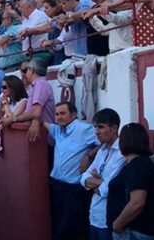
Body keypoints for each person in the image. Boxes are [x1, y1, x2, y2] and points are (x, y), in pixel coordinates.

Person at [45, 102, 100, 240]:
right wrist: (36, 122)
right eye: (56, 114)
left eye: (63, 113)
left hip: (74, 189)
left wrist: (88, 156)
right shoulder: (57, 130)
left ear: (74, 114)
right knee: (60, 224)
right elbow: (42, 122)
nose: (59, 117)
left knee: (67, 229)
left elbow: (104, 142)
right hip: (57, 186)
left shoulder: (84, 129)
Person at [107, 123, 154, 240]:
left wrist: (117, 224)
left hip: (135, 232)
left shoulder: (138, 165)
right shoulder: (136, 164)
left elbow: (137, 202)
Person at [80, 109, 127, 240]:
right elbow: (83, 177)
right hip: (94, 215)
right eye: (95, 127)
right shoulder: (102, 150)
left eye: (101, 127)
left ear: (114, 128)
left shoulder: (121, 153)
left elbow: (108, 189)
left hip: (109, 218)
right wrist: (100, 182)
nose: (96, 132)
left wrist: (93, 181)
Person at [0, 57, 55, 143]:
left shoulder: (40, 84)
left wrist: (12, 119)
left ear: (31, 70)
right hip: (40, 137)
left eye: (27, 70)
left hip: (43, 139)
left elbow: (35, 112)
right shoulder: (37, 85)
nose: (25, 74)